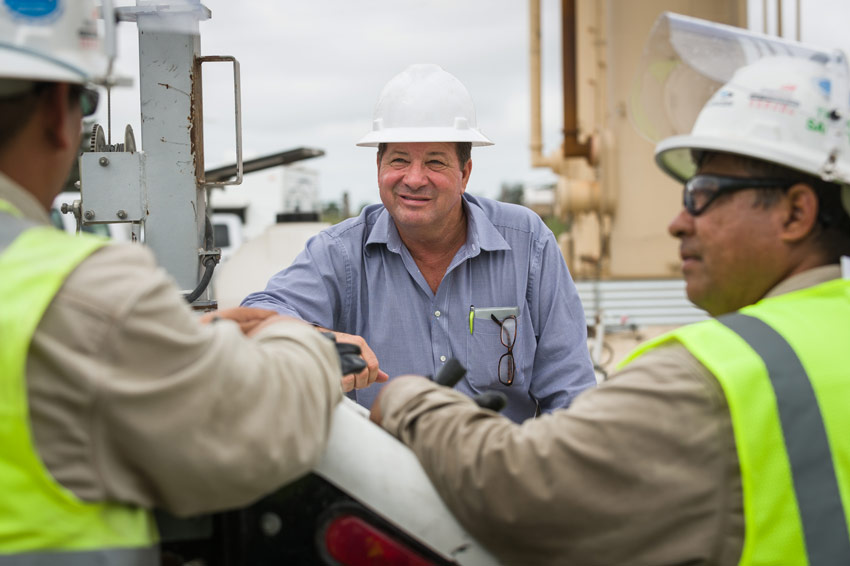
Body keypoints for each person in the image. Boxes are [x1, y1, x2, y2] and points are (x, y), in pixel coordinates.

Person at [369, 26, 850, 566]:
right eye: (399, 160)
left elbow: (530, 490)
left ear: (796, 213)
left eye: (704, 194)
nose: (678, 223)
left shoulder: (709, 379)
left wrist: (411, 400)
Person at [0, 3, 342, 563]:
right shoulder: (79, 291)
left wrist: (184, 337)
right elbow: (246, 432)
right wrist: (302, 340)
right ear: (59, 113)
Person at [242, 64, 596, 423]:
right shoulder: (341, 253)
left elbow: (571, 392)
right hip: (379, 458)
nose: (413, 178)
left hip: (500, 454)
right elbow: (258, 314)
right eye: (399, 160)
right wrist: (317, 341)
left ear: (465, 174)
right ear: (378, 166)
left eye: (434, 162)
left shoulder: (527, 243)